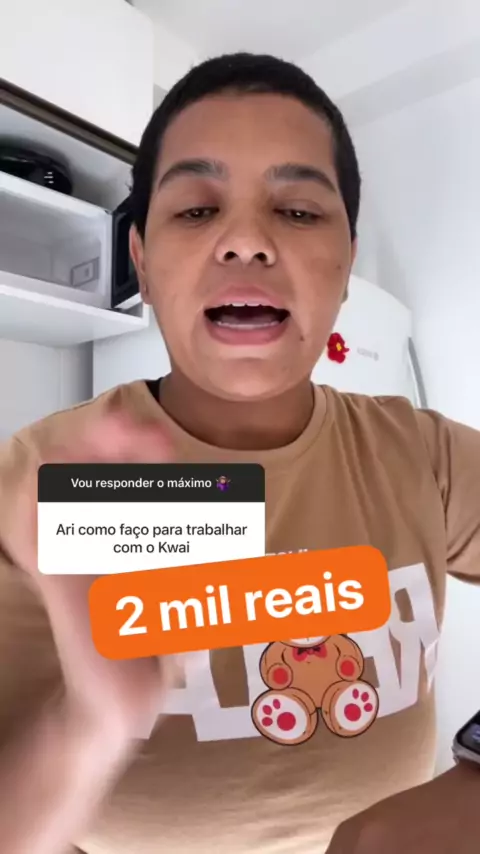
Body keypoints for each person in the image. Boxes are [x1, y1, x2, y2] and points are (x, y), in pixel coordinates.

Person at [0, 51, 479, 854]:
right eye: (196, 209)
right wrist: (88, 726)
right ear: (141, 261)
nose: (247, 241)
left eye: (297, 211)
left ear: (347, 262)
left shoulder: (424, 456)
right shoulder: (46, 484)